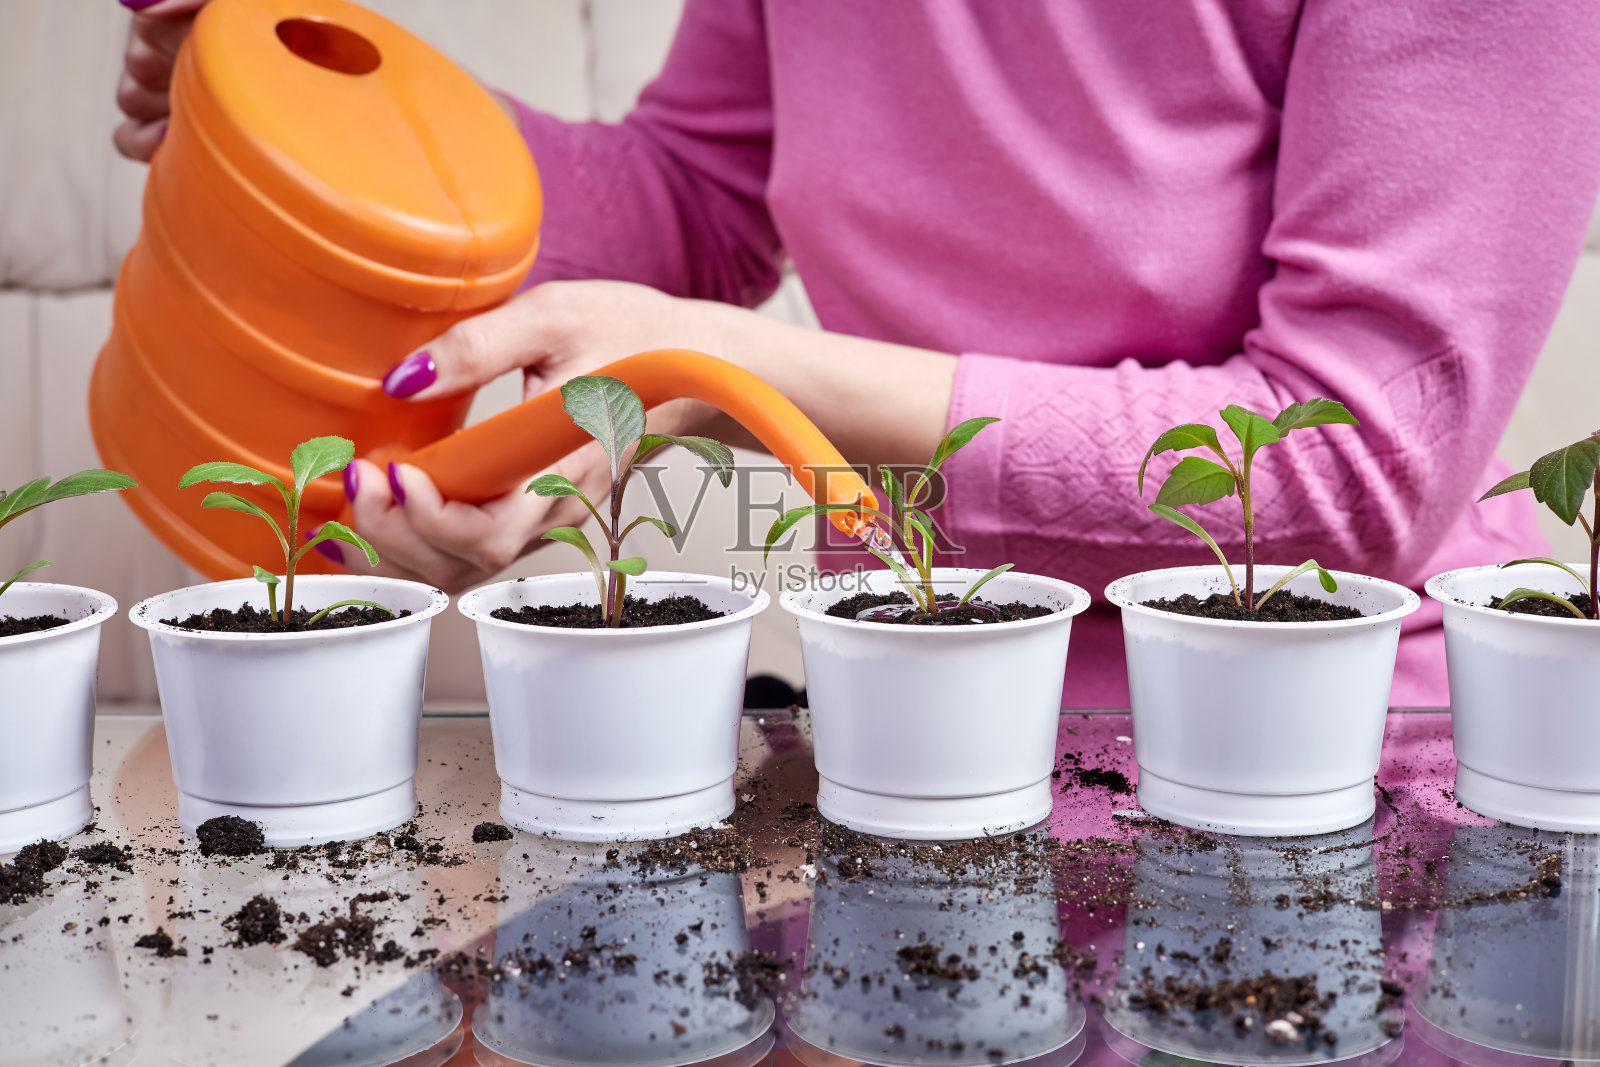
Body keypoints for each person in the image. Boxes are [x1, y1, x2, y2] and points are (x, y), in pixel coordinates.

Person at [115, 0, 1600, 707]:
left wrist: (710, 374)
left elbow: (1342, 471)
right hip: (908, 707)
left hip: (1329, 757)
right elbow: (694, 203)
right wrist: (330, 113)